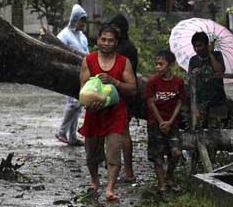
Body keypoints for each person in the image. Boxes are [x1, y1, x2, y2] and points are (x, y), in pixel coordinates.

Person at [79, 24, 137, 202]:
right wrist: (90, 104)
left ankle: (110, 188)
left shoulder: (123, 62)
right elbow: (83, 89)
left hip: (116, 112)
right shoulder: (88, 60)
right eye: (103, 39)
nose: (106, 43)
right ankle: (95, 181)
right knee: (92, 153)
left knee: (114, 150)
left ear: (116, 43)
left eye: (110, 40)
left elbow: (133, 88)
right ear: (97, 40)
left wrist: (114, 81)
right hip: (94, 112)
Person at [145, 50, 185, 195]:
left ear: (171, 65)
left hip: (172, 123)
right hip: (155, 123)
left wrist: (170, 121)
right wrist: (162, 122)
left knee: (176, 152)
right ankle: (161, 185)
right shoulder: (152, 82)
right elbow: (151, 103)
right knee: (158, 154)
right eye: (156, 64)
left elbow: (180, 102)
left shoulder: (178, 82)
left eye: (161, 64)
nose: (158, 67)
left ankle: (169, 177)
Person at [54, 4, 89, 146]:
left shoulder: (82, 36)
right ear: (75, 19)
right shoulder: (63, 35)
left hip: (83, 73)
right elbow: (57, 51)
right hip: (69, 72)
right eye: (81, 20)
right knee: (74, 103)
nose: (83, 24)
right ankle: (62, 131)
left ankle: (72, 136)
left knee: (78, 103)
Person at [109, 14, 138, 182]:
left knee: (123, 133)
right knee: (117, 133)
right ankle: (123, 170)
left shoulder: (125, 48)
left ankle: (127, 171)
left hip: (122, 92)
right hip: (118, 92)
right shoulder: (123, 46)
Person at [188, 31, 227, 129]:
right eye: (195, 46)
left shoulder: (217, 55)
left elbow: (220, 70)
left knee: (216, 128)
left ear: (206, 45)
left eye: (200, 46)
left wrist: (210, 54)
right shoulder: (193, 60)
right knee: (199, 127)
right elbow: (190, 78)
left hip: (217, 99)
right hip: (199, 100)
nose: (197, 49)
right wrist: (194, 73)